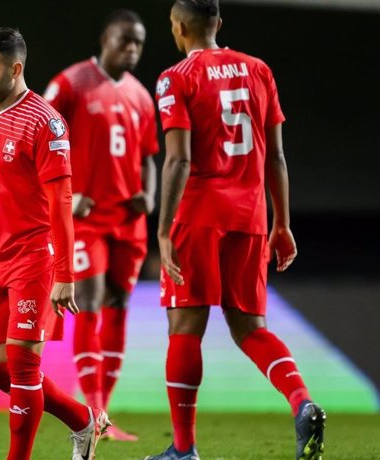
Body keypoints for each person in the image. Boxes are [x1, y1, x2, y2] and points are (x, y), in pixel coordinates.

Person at [145, 1, 326, 459]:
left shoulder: (174, 77)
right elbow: (277, 157)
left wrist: (164, 231)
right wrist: (281, 223)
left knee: (185, 326)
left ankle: (183, 450)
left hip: (198, 215)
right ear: (218, 24)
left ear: (179, 26)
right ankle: (301, 400)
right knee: (250, 327)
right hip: (250, 215)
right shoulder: (259, 70)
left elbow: (179, 159)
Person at [0, 27, 110, 460]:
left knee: (24, 367)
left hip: (35, 258)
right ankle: (83, 421)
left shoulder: (45, 122)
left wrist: (66, 275)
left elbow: (61, 204)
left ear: (16, 69)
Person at [43, 9, 159, 442]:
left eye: (138, 43)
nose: (131, 49)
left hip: (128, 222)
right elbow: (36, 137)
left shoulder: (141, 96)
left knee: (117, 308)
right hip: (84, 221)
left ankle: (103, 415)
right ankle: (92, 414)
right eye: (124, 40)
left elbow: (149, 156)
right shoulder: (71, 83)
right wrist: (67, 197)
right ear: (105, 39)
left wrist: (149, 196)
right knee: (88, 303)